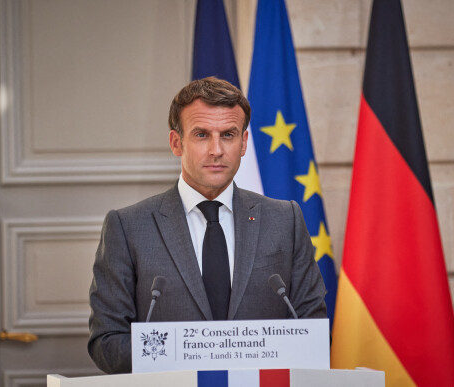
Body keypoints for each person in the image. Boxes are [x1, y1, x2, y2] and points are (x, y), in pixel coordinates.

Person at [87, 77, 327, 374]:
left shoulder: (285, 219)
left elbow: (313, 328)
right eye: (201, 135)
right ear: (177, 143)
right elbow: (107, 341)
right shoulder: (128, 227)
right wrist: (193, 355)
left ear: (244, 143)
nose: (216, 150)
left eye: (228, 135)